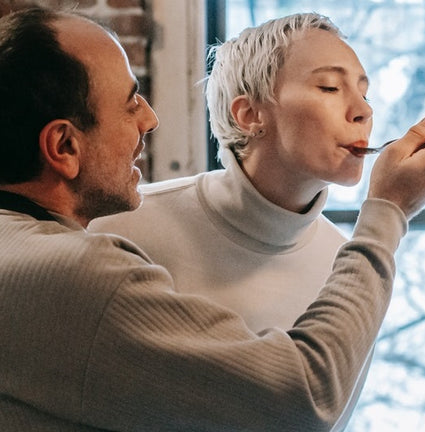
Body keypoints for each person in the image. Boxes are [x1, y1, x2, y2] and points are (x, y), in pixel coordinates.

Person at [0, 7, 425, 432]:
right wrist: (388, 212)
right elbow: (304, 396)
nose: (150, 119)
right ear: (63, 146)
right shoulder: (76, 271)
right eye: (130, 104)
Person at [88, 14, 403, 429]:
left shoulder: (352, 267)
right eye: (329, 86)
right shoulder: (121, 229)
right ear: (249, 114)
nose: (363, 110)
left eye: (365, 93)